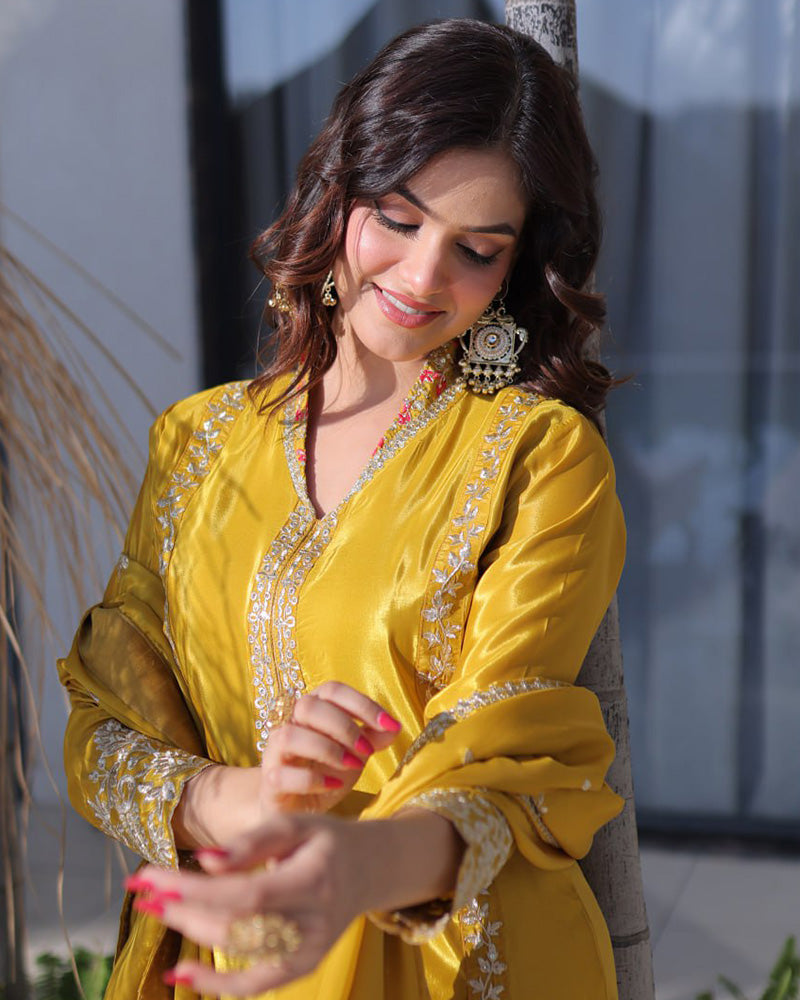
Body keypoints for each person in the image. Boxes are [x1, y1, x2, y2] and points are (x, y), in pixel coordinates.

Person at [58, 17, 626, 1000]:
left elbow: (514, 763)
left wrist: (348, 869)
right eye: (398, 220)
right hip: (233, 942)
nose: (422, 277)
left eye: (475, 249)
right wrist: (243, 801)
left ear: (513, 268)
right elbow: (103, 731)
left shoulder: (535, 456)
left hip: (461, 960)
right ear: (337, 194)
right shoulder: (197, 445)